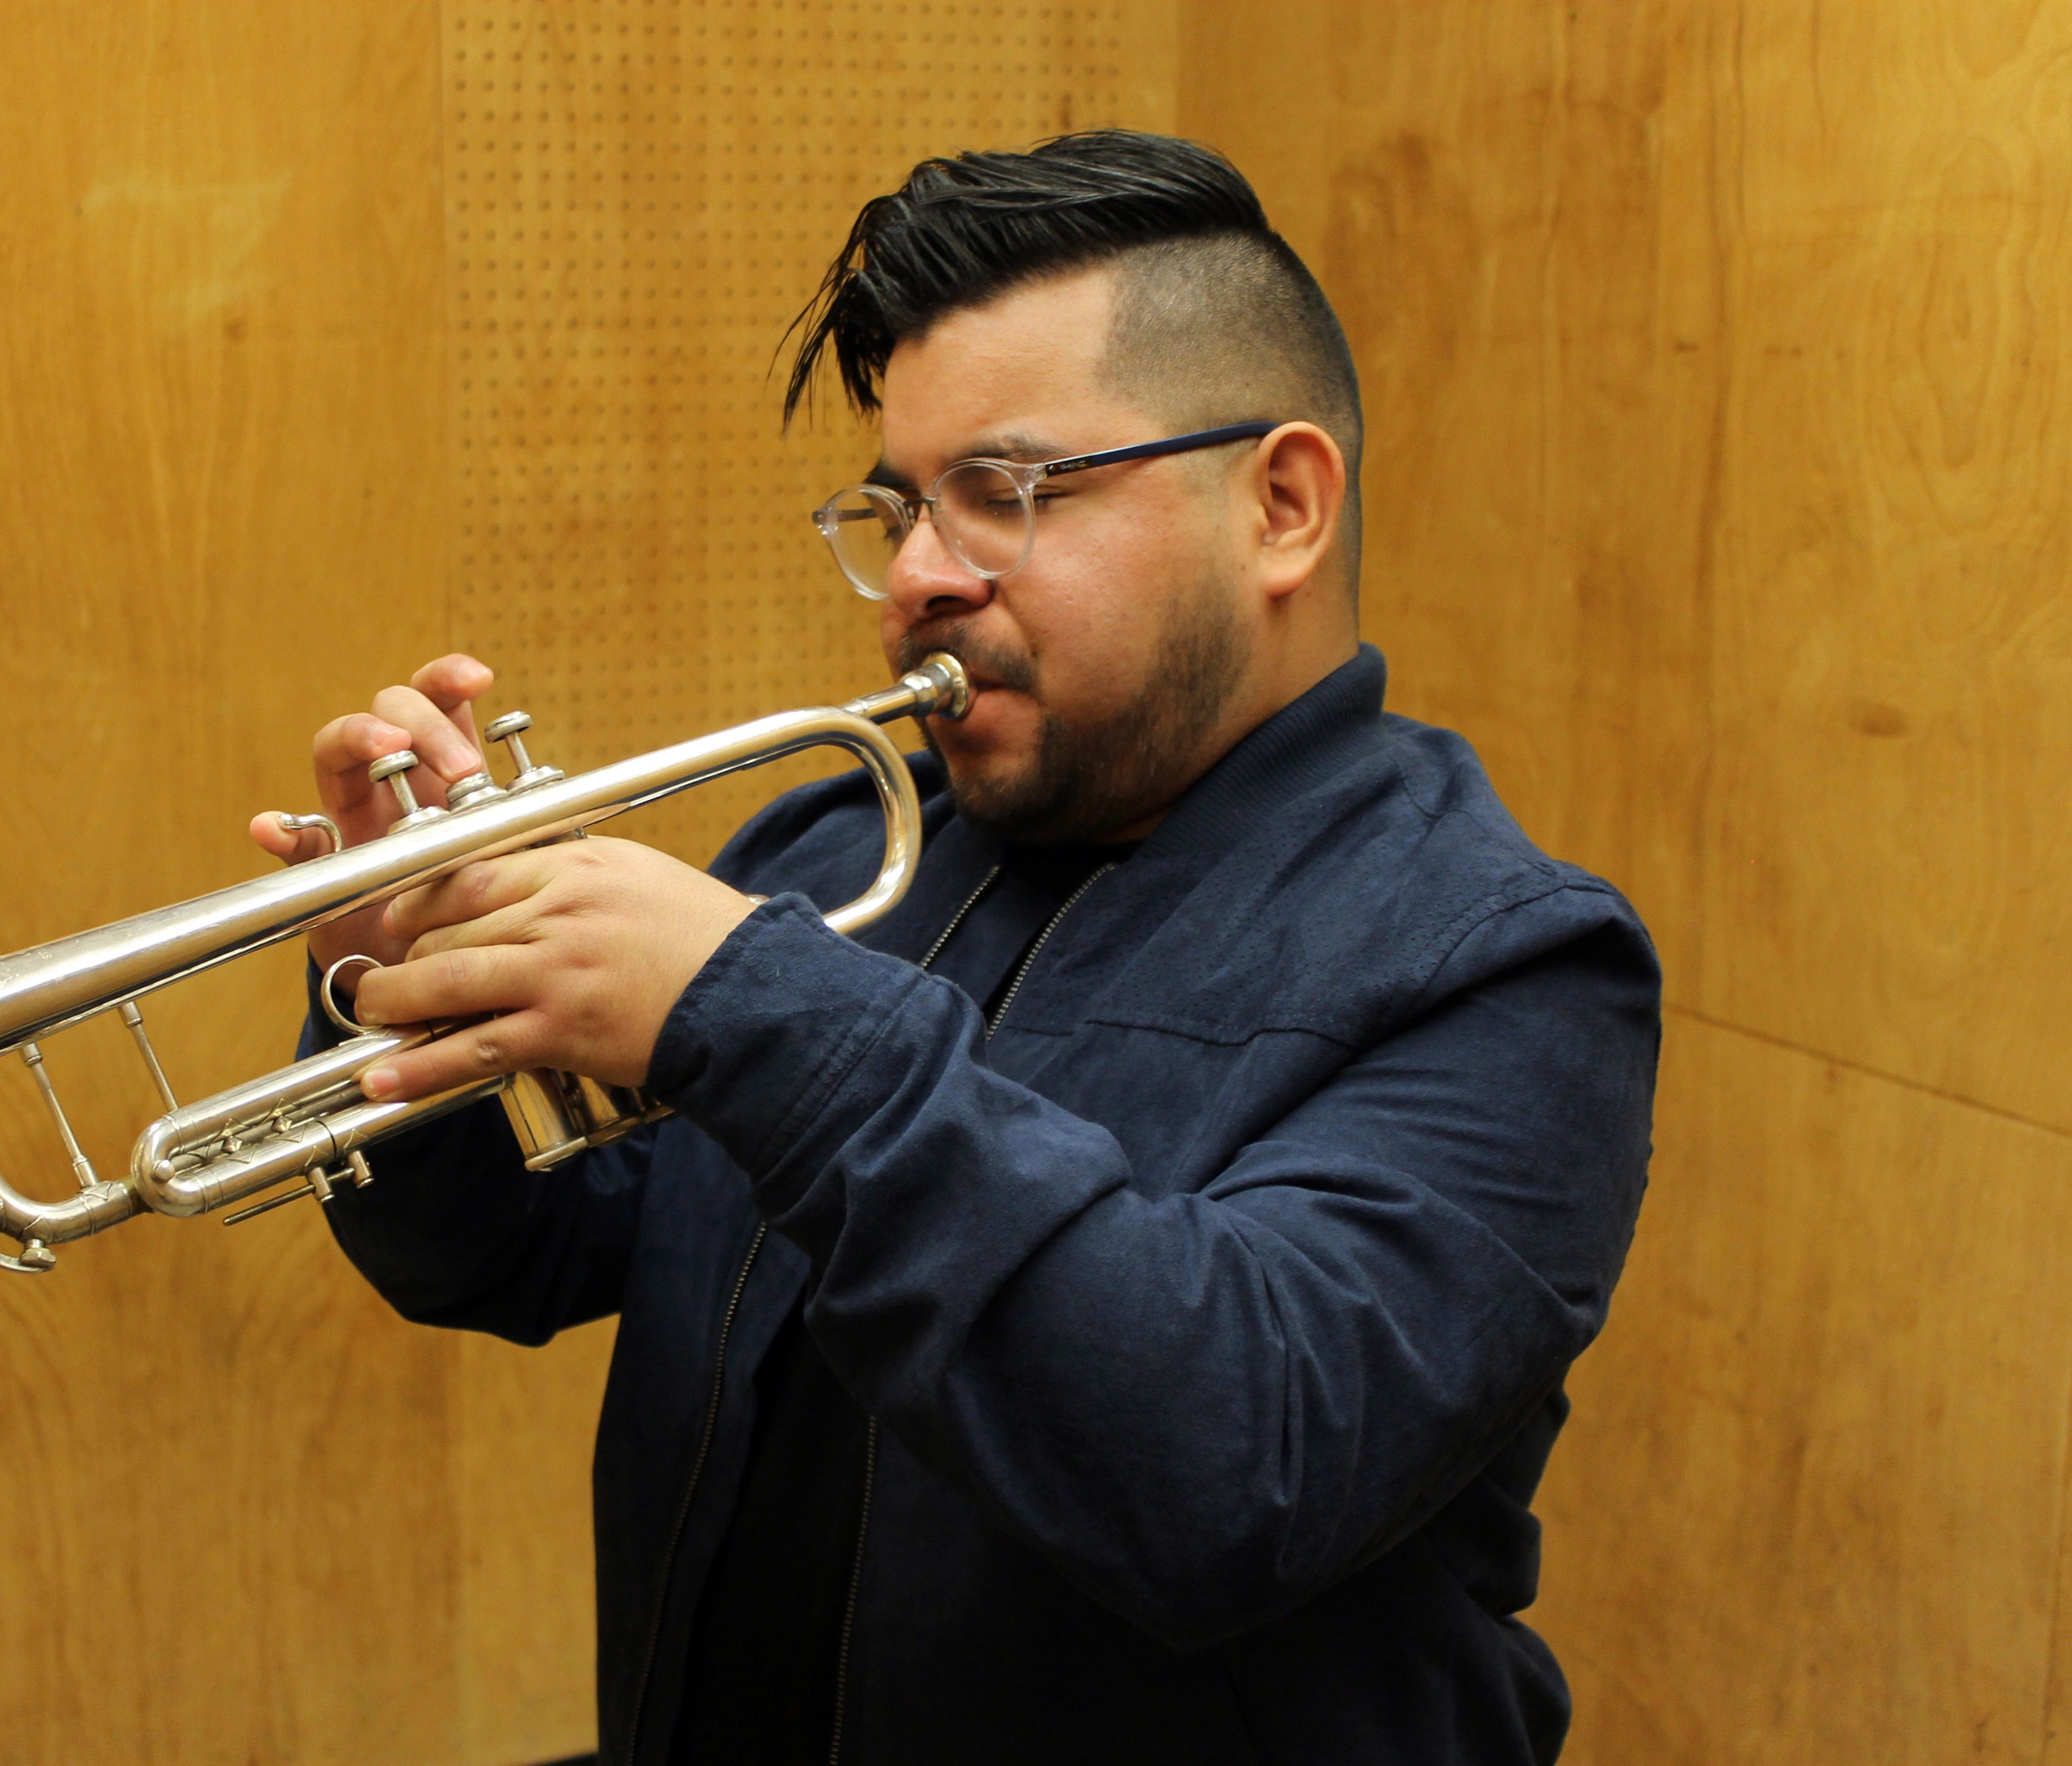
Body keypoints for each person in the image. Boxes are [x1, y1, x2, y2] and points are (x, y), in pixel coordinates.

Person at [249, 131, 1658, 1766]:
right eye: (897, 504)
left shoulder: (1508, 967)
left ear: (1278, 506)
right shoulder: (838, 854)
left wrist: (758, 1014)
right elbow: (508, 1262)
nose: (918, 575)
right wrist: (390, 992)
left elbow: (1227, 1475)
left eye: (1010, 492)